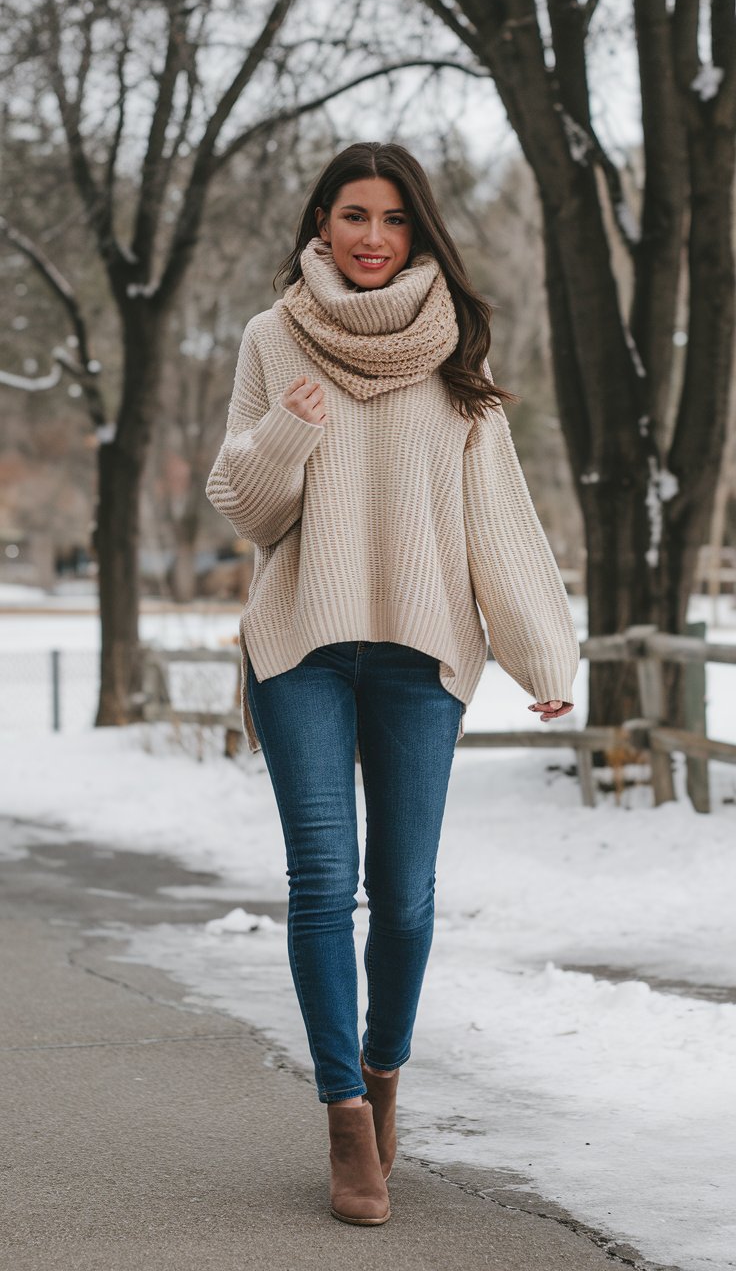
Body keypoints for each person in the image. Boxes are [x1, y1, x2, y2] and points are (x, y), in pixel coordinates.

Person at [205, 141, 580, 1226]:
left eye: (394, 219)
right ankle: (343, 1121)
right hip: (301, 648)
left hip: (421, 657)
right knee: (324, 883)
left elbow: (493, 513)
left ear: (418, 232)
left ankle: (382, 1075)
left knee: (405, 901)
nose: (372, 236)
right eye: (352, 215)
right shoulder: (271, 338)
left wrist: (539, 652)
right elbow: (245, 504)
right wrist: (290, 427)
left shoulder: (450, 348)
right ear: (319, 224)